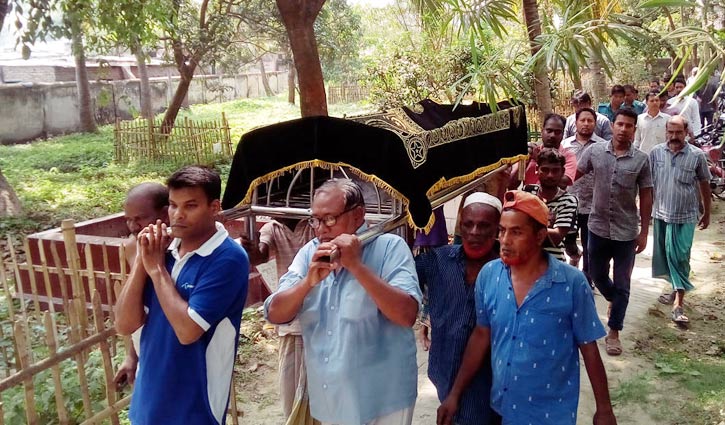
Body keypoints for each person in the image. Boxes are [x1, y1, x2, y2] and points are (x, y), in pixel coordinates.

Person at [437, 190, 616, 425]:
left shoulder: (571, 283)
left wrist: (603, 409)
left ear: (540, 236)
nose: (505, 240)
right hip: (501, 407)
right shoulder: (490, 276)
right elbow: (481, 335)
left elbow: (589, 348)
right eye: (502, 231)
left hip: (551, 413)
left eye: (516, 232)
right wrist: (454, 394)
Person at [264, 178, 422, 425]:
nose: (320, 229)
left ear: (358, 215)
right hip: (330, 399)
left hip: (383, 400)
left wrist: (356, 266)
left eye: (329, 219)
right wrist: (307, 283)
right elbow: (275, 313)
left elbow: (406, 315)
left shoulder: (390, 247)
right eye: (315, 219)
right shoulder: (309, 253)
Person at [115, 166, 249, 424]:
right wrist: (144, 260)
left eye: (190, 206)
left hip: (195, 407)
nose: (178, 215)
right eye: (173, 206)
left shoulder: (228, 258)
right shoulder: (161, 251)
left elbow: (188, 331)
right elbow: (124, 323)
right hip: (148, 398)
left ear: (214, 207)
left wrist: (155, 270)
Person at [416, 192, 502, 425]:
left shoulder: (507, 272)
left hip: (487, 380)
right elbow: (401, 276)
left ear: (497, 230)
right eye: (468, 224)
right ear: (460, 226)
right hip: (442, 372)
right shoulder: (438, 260)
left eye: (484, 226)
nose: (474, 232)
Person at [576, 109, 653, 357]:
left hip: (626, 232)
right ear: (613, 125)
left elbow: (647, 195)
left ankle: (614, 332)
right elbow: (576, 173)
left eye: (629, 126)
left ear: (634, 129)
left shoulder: (641, 160)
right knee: (597, 276)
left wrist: (644, 232)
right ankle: (614, 300)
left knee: (623, 283)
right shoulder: (596, 151)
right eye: (620, 124)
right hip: (597, 227)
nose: (623, 129)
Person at [243, 218, 315, 420]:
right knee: (292, 397)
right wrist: (251, 249)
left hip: (320, 319)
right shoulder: (272, 228)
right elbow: (260, 256)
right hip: (290, 323)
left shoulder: (314, 222)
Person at [650, 116, 711, 323]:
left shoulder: (697, 156)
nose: (674, 137)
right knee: (667, 258)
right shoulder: (656, 153)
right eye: (671, 132)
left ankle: (678, 304)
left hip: (685, 216)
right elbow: (647, 184)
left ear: (686, 132)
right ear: (666, 131)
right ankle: (675, 291)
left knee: (680, 257)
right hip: (661, 214)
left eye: (678, 132)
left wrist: (707, 212)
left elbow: (704, 184)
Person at [113, 182, 169, 391]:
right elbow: (137, 301)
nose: (133, 226)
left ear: (165, 213)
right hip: (146, 346)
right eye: (128, 219)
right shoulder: (133, 246)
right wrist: (131, 355)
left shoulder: (183, 248)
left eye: (139, 218)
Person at [561, 108, 607, 274]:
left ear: (595, 123)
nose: (586, 124)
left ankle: (588, 278)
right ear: (576, 122)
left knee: (591, 247)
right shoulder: (565, 145)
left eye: (590, 121)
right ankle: (574, 261)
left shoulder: (603, 146)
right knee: (569, 244)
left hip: (593, 204)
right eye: (583, 120)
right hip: (568, 203)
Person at [524, 148, 578, 262]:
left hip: (553, 264)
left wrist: (522, 229)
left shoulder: (568, 200)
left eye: (555, 171)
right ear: (537, 169)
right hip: (526, 262)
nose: (550, 175)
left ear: (563, 171)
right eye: (545, 170)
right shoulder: (527, 192)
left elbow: (555, 238)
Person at [515, 113, 577, 188]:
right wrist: (524, 162)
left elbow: (563, 182)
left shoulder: (568, 156)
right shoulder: (530, 152)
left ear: (563, 134)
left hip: (556, 199)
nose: (552, 135)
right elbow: (511, 184)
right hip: (528, 198)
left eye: (557, 132)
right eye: (549, 131)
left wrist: (538, 160)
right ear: (542, 131)